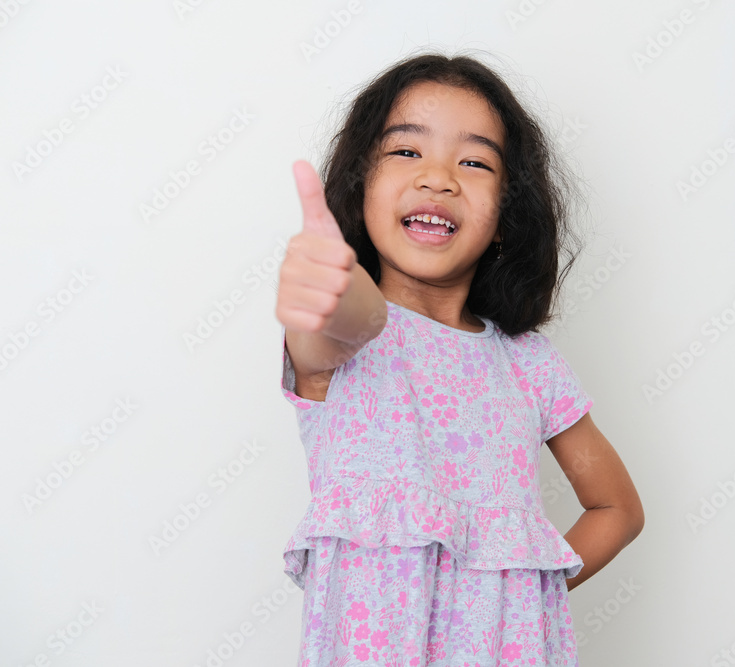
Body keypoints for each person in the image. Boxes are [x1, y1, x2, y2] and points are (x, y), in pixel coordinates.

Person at [275, 51, 644, 666]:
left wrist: (533, 597)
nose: (438, 177)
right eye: (406, 151)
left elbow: (617, 509)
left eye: (474, 162)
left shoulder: (528, 362)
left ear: (505, 214)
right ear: (363, 187)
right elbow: (338, 328)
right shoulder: (343, 337)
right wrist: (329, 288)